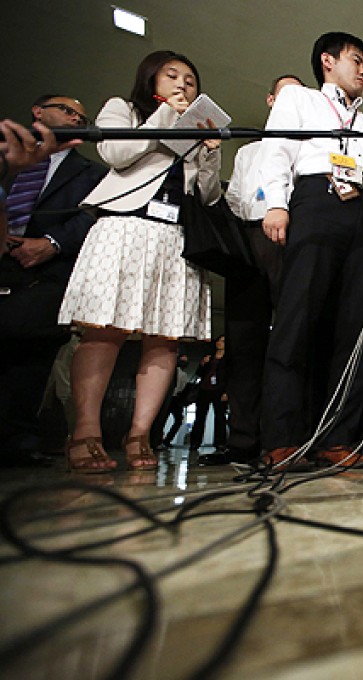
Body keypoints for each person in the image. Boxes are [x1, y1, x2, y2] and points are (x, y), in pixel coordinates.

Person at [258, 32, 363, 470]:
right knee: (297, 319)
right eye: (357, 60)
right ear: (327, 61)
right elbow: (276, 150)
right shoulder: (300, 99)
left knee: (356, 329)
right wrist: (276, 204)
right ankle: (282, 437)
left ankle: (338, 438)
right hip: (316, 202)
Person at [58, 50, 221, 473]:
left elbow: (207, 196)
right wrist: (166, 116)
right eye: (173, 76)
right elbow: (116, 153)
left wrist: (208, 152)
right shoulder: (124, 109)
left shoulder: (192, 131)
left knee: (165, 339)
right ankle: (85, 433)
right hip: (126, 227)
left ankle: (139, 434)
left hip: (175, 236)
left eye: (190, 80)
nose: (183, 84)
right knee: (104, 331)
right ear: (151, 79)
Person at [0, 95, 107, 467]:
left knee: (31, 359)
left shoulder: (91, 173)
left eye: (82, 117)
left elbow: (93, 216)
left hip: (47, 269)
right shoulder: (6, 155)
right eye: (67, 111)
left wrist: (51, 243)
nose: (75, 119)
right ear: (38, 111)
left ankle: (17, 442)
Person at [217, 74, 303, 465]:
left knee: (292, 339)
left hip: (291, 239)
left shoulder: (306, 147)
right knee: (243, 341)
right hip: (249, 239)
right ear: (271, 101)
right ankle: (242, 438)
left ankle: (287, 435)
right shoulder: (248, 153)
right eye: (285, 94)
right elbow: (235, 198)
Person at [191, 335, 227, 455]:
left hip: (219, 390)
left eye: (222, 341)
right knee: (200, 416)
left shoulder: (228, 360)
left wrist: (227, 392)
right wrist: (202, 364)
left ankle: (220, 443)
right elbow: (199, 374)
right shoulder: (209, 357)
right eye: (218, 341)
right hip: (204, 389)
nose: (219, 343)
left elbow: (230, 376)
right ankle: (195, 442)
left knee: (220, 417)